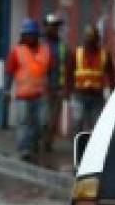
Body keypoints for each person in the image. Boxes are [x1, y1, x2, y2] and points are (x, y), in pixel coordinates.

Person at [4, 19, 52, 163]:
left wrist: (54, 87)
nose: (30, 38)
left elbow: (51, 70)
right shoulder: (17, 52)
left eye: (32, 35)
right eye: (27, 35)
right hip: (23, 95)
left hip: (41, 94)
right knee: (24, 123)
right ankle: (25, 149)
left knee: (41, 123)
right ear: (23, 36)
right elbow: (9, 72)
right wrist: (6, 91)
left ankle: (34, 146)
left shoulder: (45, 50)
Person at [67, 24, 115, 135]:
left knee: (97, 124)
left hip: (97, 96)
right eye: (89, 38)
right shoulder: (77, 53)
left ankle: (93, 148)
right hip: (79, 94)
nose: (90, 41)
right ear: (85, 39)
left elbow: (111, 74)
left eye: (93, 38)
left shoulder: (105, 55)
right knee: (78, 122)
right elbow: (69, 73)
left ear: (97, 39)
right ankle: (78, 146)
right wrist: (67, 91)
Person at [41, 13, 68, 151]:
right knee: (43, 118)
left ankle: (47, 143)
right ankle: (38, 142)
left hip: (57, 87)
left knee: (53, 119)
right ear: (45, 27)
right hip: (42, 88)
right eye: (52, 26)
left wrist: (65, 87)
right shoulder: (40, 44)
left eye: (56, 26)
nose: (54, 29)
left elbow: (66, 66)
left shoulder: (62, 46)